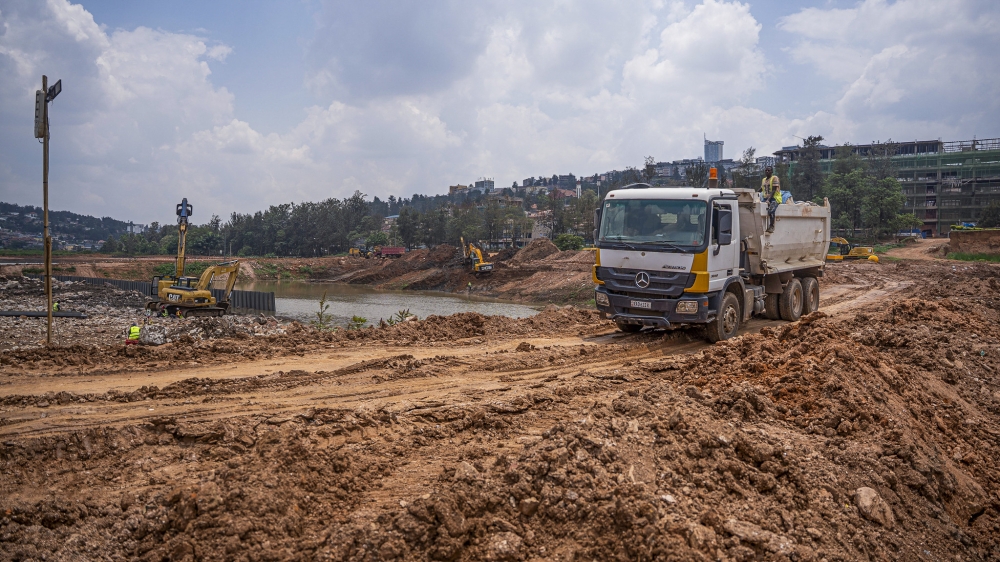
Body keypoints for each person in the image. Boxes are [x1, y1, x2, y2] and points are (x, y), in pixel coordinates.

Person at [760, 166, 782, 233]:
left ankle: (771, 226)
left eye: (769, 170)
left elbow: (774, 190)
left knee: (771, 210)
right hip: (765, 198)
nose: (767, 171)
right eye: (766, 170)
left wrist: (768, 200)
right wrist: (754, 193)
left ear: (772, 171)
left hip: (774, 198)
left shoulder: (775, 178)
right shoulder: (764, 180)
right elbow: (761, 188)